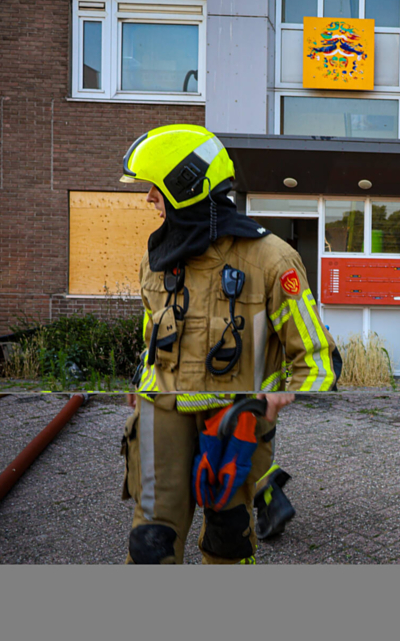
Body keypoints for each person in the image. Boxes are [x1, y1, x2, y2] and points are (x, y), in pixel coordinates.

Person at [120, 124, 341, 563]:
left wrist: (276, 397)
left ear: (186, 187)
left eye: (155, 188)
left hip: (232, 423)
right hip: (160, 414)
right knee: (150, 545)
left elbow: (319, 360)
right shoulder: (154, 259)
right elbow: (153, 340)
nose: (148, 199)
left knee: (228, 542)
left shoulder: (271, 260)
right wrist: (140, 381)